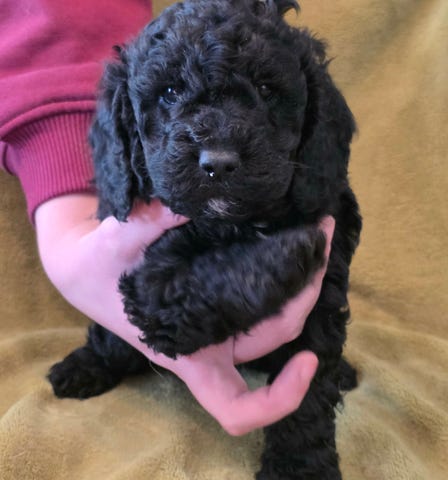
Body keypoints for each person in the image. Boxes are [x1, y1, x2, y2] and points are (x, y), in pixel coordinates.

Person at [0, 0, 333, 435]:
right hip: (157, 242)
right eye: (172, 95)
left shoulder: (311, 199)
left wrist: (302, 452)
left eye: (266, 92)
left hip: (283, 270)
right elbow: (135, 286)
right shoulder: (152, 192)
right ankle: (107, 353)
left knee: (314, 330)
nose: (218, 153)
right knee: (131, 301)